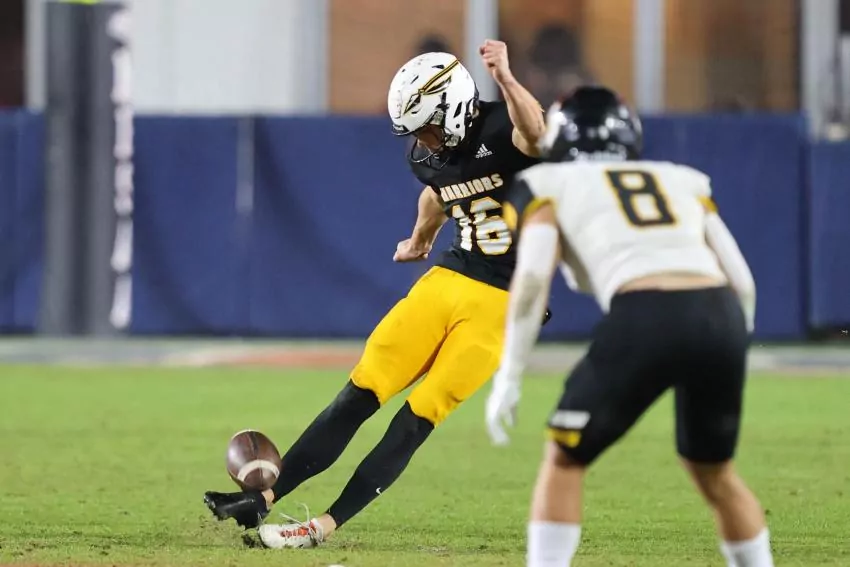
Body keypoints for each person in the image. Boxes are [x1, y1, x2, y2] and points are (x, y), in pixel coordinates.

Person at [204, 40, 548, 549]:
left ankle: (321, 526)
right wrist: (420, 238)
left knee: (417, 416)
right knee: (360, 391)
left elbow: (535, 135)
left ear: (454, 108)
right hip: (450, 279)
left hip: (505, 302)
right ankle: (265, 498)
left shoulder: (506, 125)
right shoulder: (427, 158)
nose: (424, 141)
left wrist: (506, 77)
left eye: (428, 128)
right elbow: (438, 192)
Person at [485, 86, 775, 567]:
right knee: (714, 472)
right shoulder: (680, 178)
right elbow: (741, 279)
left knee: (565, 458)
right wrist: (731, 341)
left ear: (560, 135)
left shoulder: (546, 183)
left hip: (646, 312)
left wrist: (509, 375)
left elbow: (534, 278)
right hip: (719, 312)